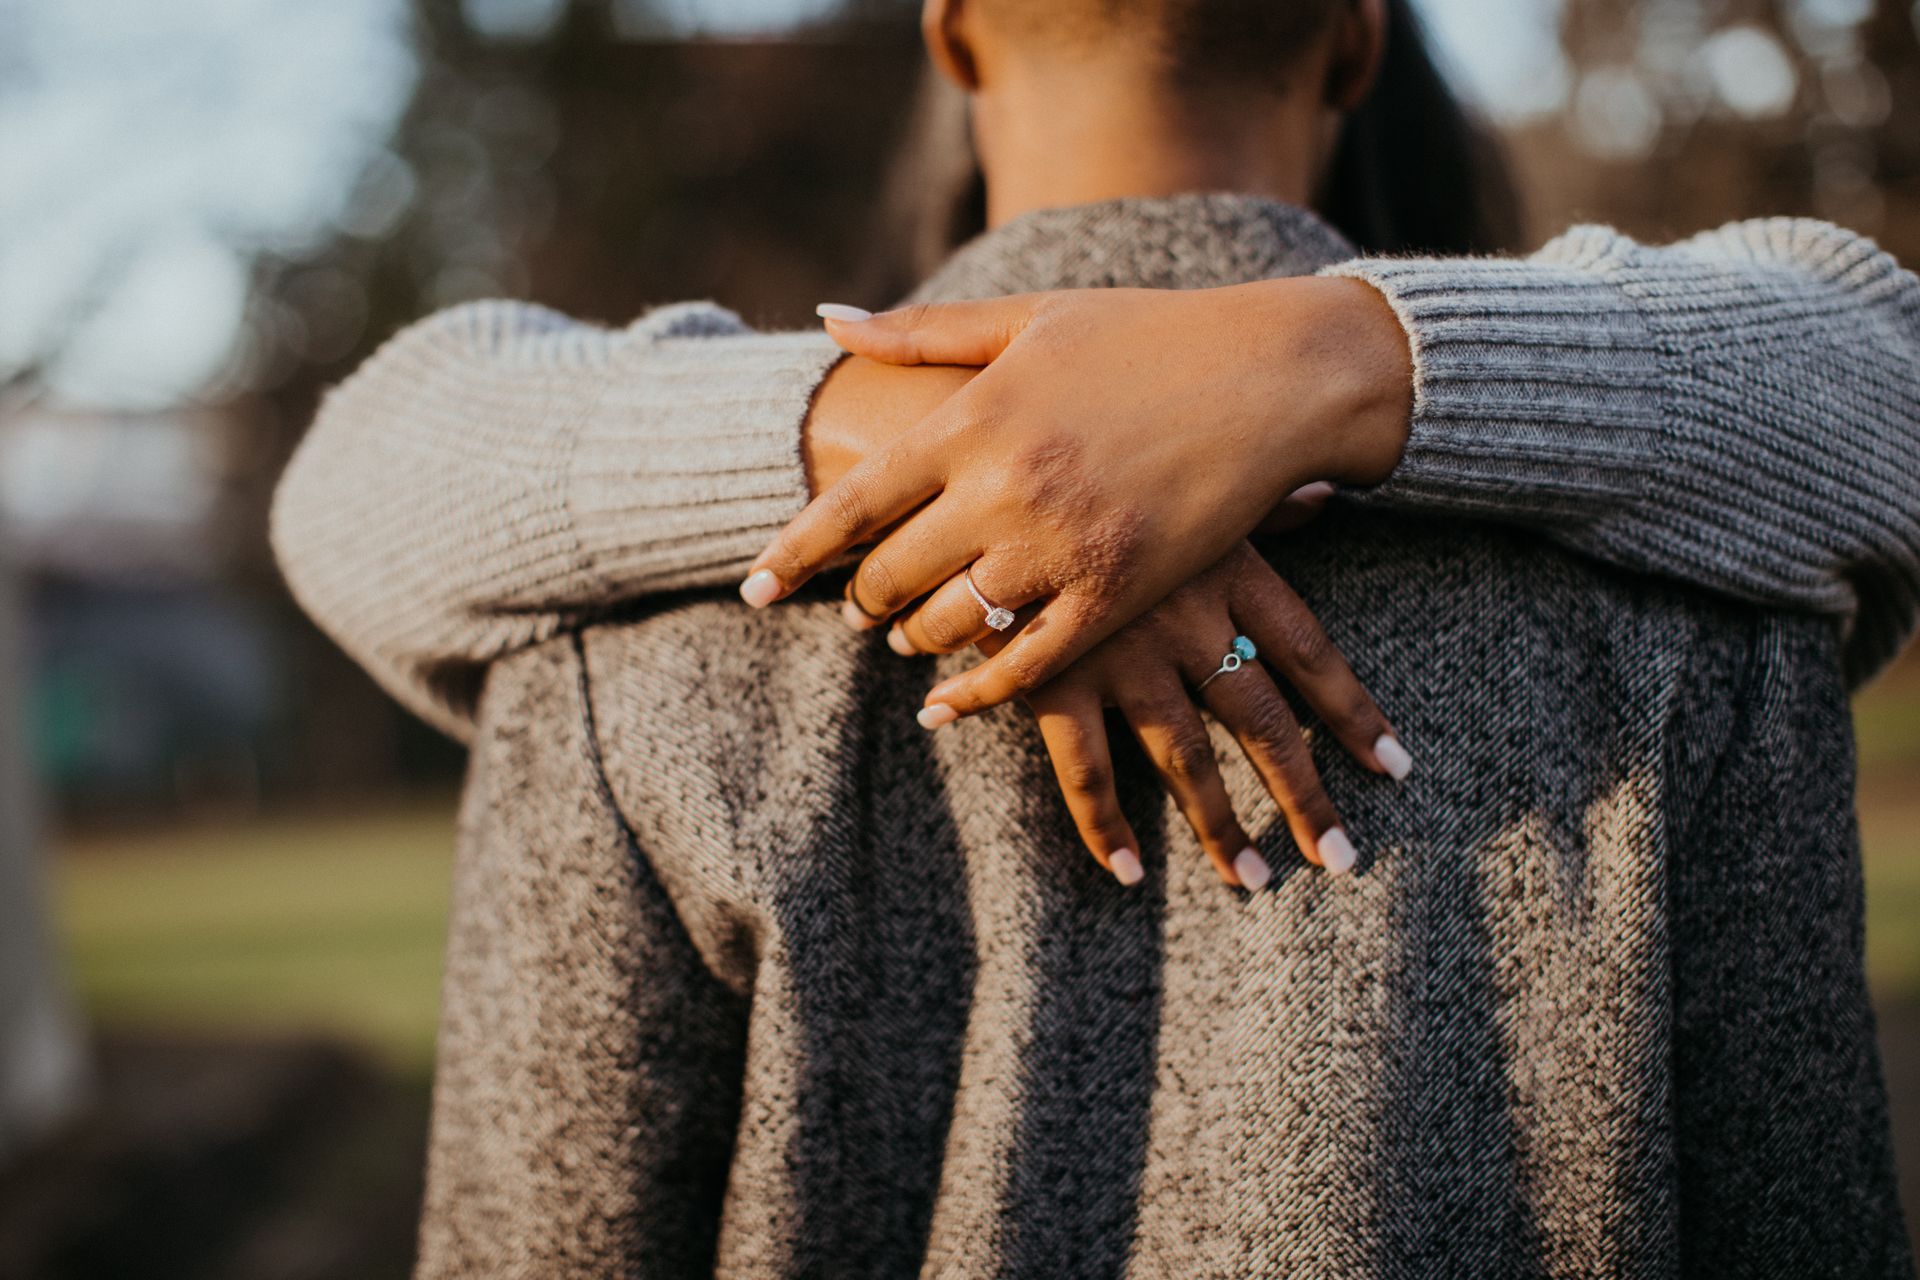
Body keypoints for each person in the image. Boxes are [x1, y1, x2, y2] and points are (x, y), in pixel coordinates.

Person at [273, 0, 1920, 1274]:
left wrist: (1317, 371)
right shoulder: (1707, 599)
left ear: (953, 32)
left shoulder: (615, 659)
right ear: (1356, 42)